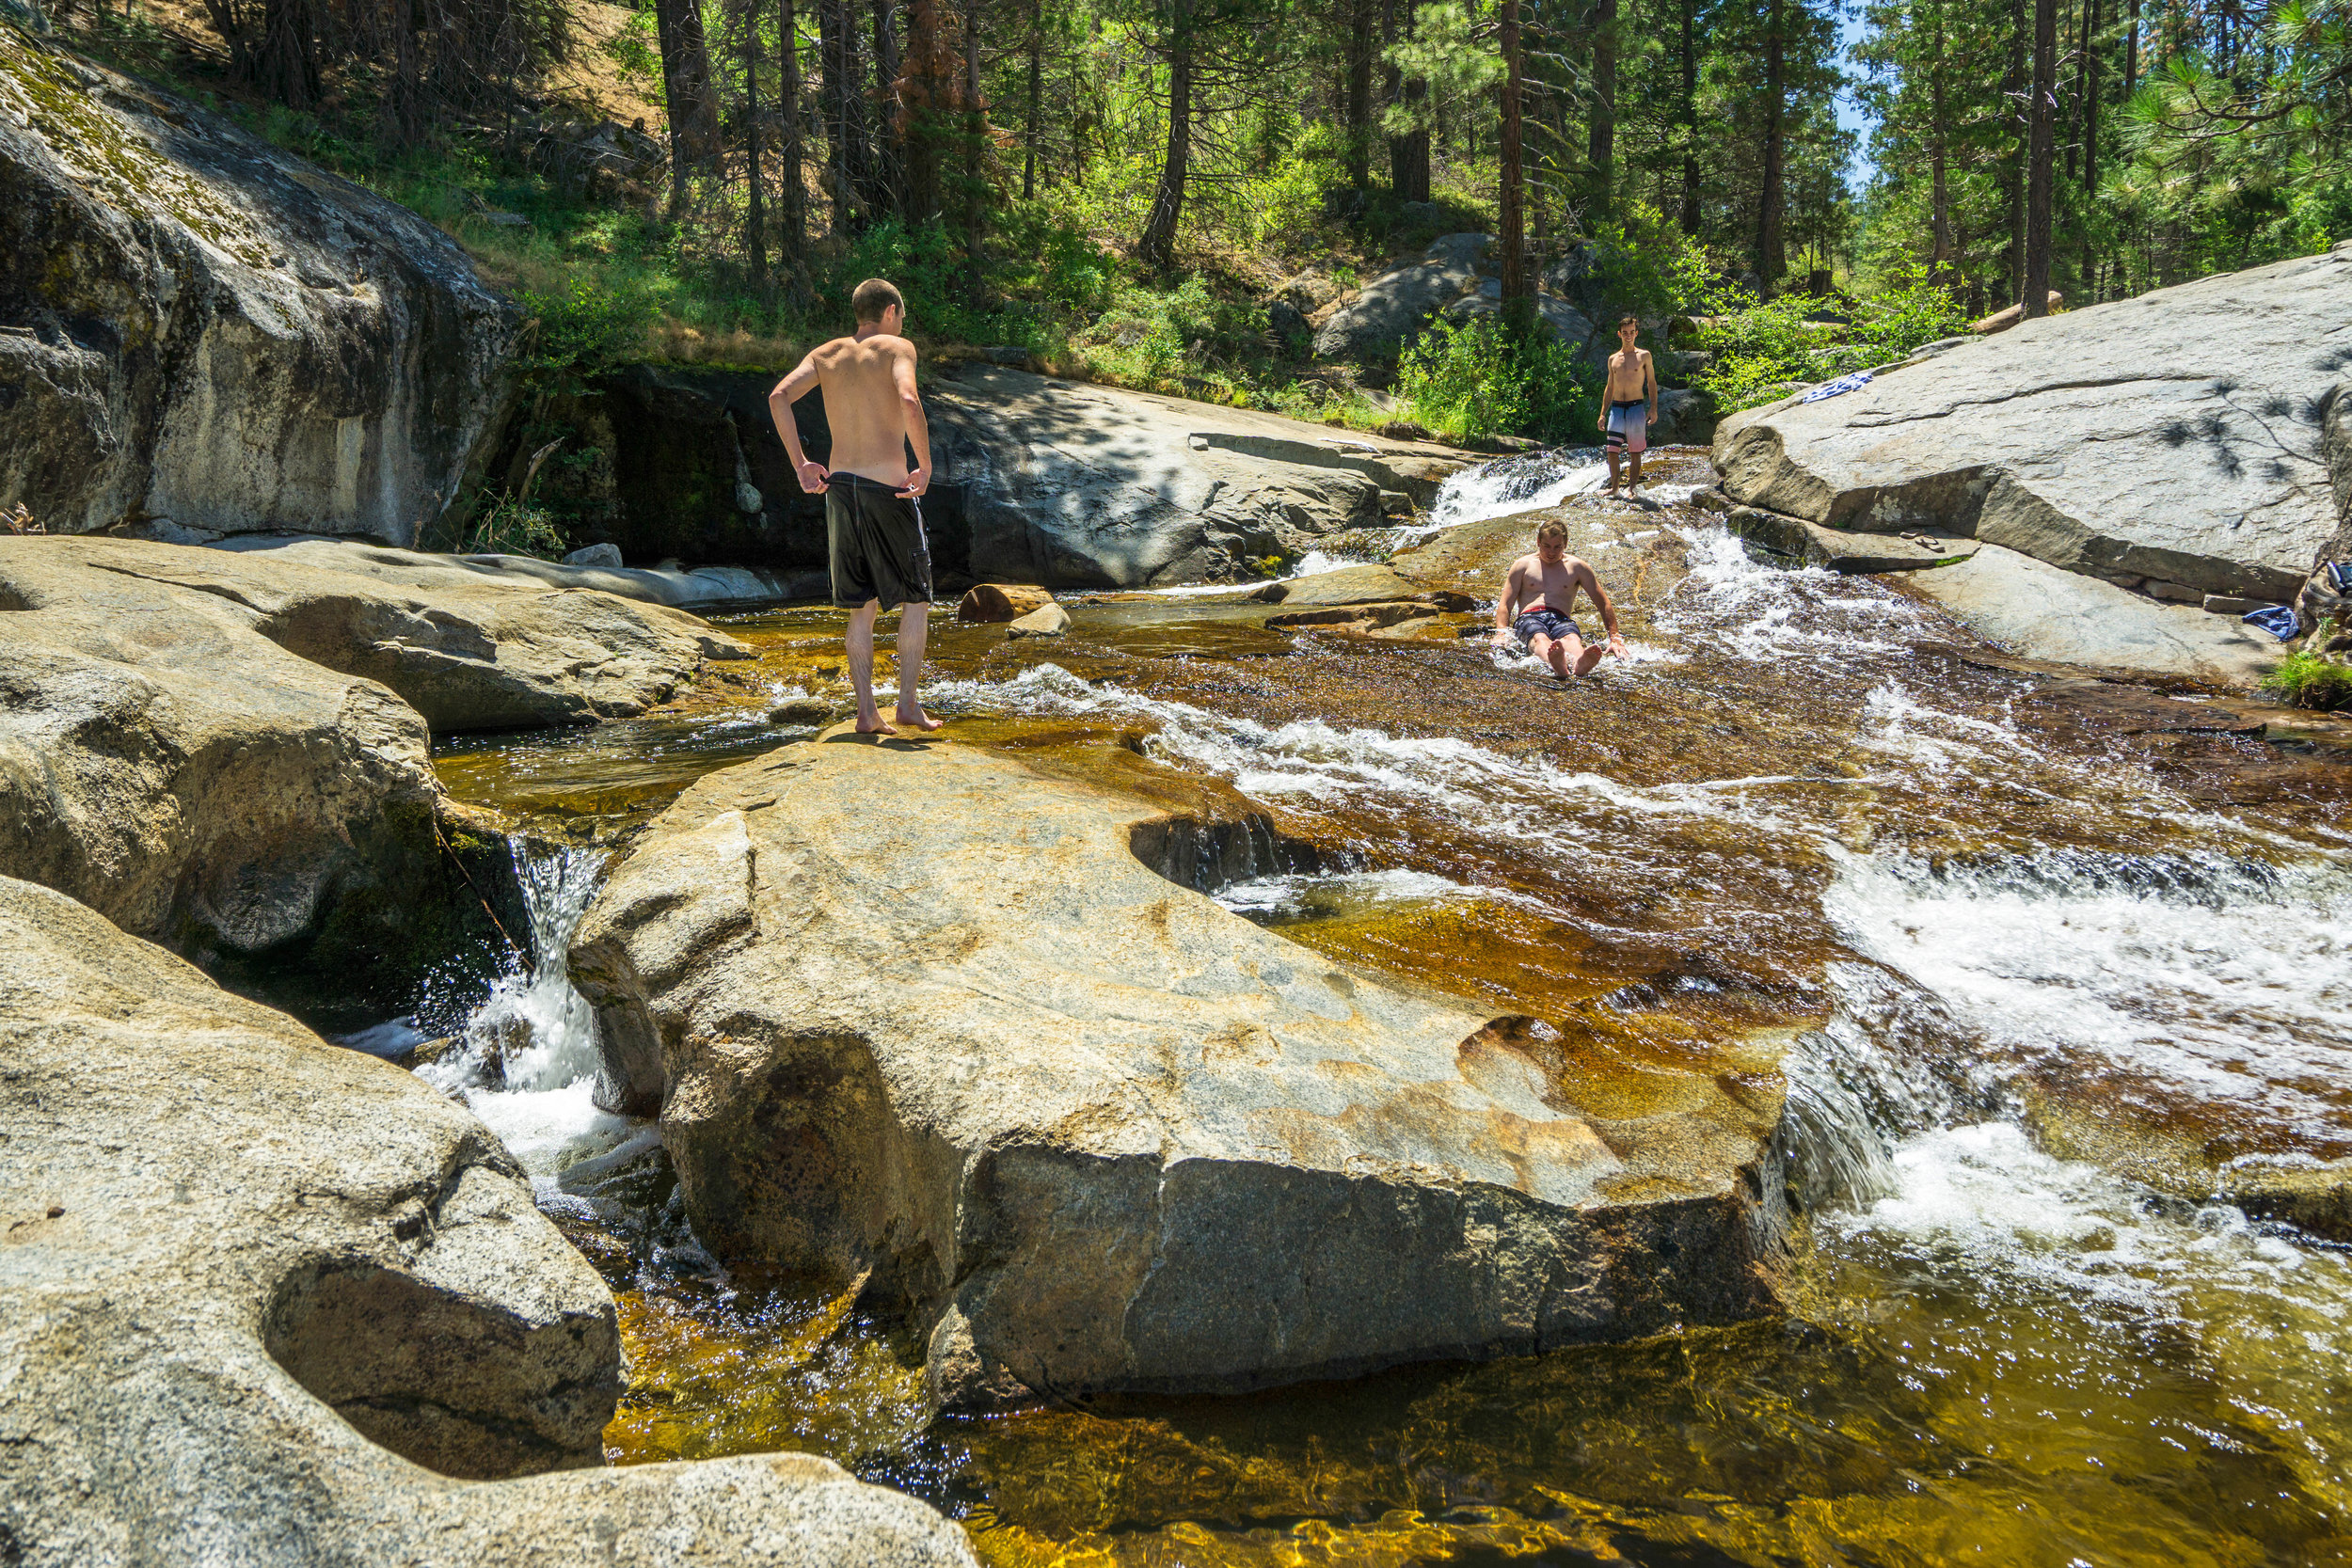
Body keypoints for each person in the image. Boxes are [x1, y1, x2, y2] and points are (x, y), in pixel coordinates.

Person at [768, 278, 941, 736]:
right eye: (901, 315)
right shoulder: (896, 347)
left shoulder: (826, 354)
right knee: (916, 599)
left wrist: (802, 464)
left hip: (841, 489)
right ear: (890, 311)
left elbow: (778, 396)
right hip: (890, 490)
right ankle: (906, 705)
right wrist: (924, 466)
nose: (902, 323)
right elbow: (908, 398)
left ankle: (866, 713)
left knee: (860, 607)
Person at [1493, 518, 1627, 680]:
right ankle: (1557, 664)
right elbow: (1505, 603)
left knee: (1571, 638)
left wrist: (1615, 638)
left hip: (1561, 617)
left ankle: (1579, 663)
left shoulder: (1577, 567)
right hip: (1529, 617)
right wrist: (1502, 632)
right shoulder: (1523, 565)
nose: (1551, 552)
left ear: (1566, 544)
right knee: (1540, 638)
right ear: (1538, 542)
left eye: (1558, 547)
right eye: (1546, 546)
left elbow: (1603, 602)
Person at [1596, 314, 1657, 495]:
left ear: (1636, 333)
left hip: (1636, 408)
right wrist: (1602, 414)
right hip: (1616, 408)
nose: (1628, 336)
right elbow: (1609, 386)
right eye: (1624, 333)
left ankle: (1631, 489)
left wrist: (1653, 408)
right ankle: (1614, 489)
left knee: (1634, 451)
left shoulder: (1644, 355)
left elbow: (1651, 382)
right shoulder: (1612, 359)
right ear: (1619, 334)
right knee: (1612, 450)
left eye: (1631, 332)